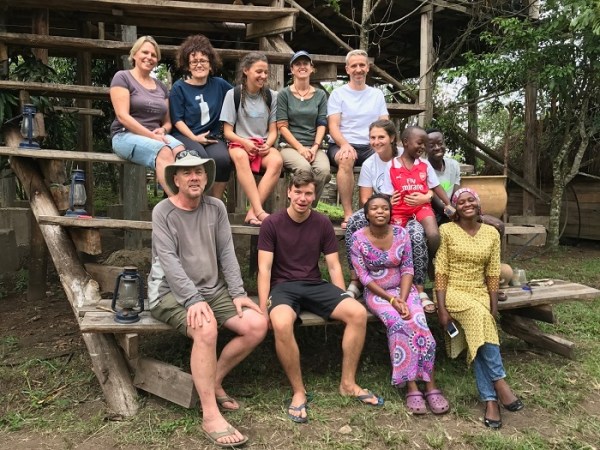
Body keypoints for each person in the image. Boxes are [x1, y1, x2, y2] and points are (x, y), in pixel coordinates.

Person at [148, 151, 268, 446]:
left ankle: (213, 381)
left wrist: (238, 293)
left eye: (199, 172)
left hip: (212, 291)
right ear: (175, 179)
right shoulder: (163, 212)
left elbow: (227, 253)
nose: (194, 177)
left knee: (257, 325)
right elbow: (170, 263)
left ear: (206, 177)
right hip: (168, 293)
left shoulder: (216, 208)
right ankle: (210, 414)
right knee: (206, 328)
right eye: (187, 172)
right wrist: (191, 299)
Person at [257, 172, 383, 424]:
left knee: (357, 313)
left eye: (308, 194)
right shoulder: (272, 223)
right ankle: (298, 390)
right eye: (298, 192)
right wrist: (263, 308)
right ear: (289, 192)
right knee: (281, 323)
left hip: (314, 284)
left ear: (314, 196)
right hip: (283, 287)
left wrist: (340, 297)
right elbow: (264, 269)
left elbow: (334, 266)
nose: (303, 198)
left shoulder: (322, 223)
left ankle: (347, 383)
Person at [349, 194, 449, 415]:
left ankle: (430, 382)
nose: (380, 212)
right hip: (378, 293)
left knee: (420, 323)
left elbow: (408, 269)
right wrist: (392, 300)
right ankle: (411, 385)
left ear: (390, 213)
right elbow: (364, 277)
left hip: (405, 290)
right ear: (366, 214)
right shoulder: (357, 238)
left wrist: (402, 298)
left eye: (385, 208)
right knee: (398, 324)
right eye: (374, 208)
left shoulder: (401, 234)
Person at [435, 187, 524, 429]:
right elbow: (441, 271)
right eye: (461, 201)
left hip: (480, 292)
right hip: (453, 290)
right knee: (478, 318)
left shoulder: (491, 234)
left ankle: (490, 401)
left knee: (480, 326)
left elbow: (493, 272)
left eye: (470, 200)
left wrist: (493, 306)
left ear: (478, 204)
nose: (466, 204)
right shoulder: (447, 230)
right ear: (456, 207)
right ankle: (500, 381)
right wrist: (442, 309)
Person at [344, 120, 432, 313]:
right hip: (384, 211)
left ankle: (419, 287)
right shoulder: (369, 164)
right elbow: (366, 200)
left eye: (381, 137)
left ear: (392, 138)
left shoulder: (407, 154)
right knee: (354, 221)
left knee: (416, 234)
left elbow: (428, 180)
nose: (376, 141)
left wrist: (427, 196)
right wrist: (385, 200)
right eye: (373, 138)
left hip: (409, 212)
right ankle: (356, 281)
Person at [110, 36, 184, 196]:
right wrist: (151, 135)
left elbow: (167, 123)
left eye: (153, 55)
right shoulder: (122, 77)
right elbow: (122, 116)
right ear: (134, 54)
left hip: (155, 137)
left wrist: (162, 130)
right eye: (145, 52)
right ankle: (179, 206)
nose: (149, 57)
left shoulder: (161, 87)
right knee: (164, 151)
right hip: (124, 135)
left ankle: (187, 200)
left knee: (181, 152)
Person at [327, 49, 389, 228]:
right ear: (347, 69)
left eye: (362, 65)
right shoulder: (338, 94)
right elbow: (333, 126)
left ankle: (376, 212)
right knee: (346, 158)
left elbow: (384, 123)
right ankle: (348, 213)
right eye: (354, 66)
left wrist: (382, 144)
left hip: (370, 144)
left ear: (368, 68)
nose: (358, 69)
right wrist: (345, 144)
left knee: (388, 159)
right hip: (342, 143)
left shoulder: (376, 94)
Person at [220, 51, 283, 226]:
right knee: (240, 157)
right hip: (239, 143)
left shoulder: (272, 96)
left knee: (277, 161)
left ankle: (251, 213)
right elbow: (227, 132)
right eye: (259, 72)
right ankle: (260, 210)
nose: (263, 76)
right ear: (246, 71)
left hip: (262, 145)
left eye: (265, 72)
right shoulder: (233, 95)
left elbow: (273, 131)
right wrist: (245, 143)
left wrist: (267, 145)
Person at [169, 34, 233, 200]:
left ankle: (216, 204)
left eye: (203, 61)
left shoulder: (220, 84)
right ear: (187, 66)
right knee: (200, 160)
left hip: (212, 136)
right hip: (185, 135)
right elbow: (176, 119)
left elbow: (240, 96)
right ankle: (198, 203)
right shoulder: (179, 87)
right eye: (194, 61)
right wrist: (194, 138)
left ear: (211, 64)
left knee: (223, 159)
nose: (199, 65)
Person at [387, 126, 454, 283]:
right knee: (398, 241)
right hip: (399, 209)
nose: (423, 147)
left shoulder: (425, 164)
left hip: (422, 207)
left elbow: (436, 186)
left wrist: (448, 204)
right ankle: (402, 273)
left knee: (433, 235)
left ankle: (431, 260)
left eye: (425, 143)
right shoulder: (391, 165)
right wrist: (388, 202)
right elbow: (386, 192)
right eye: (420, 142)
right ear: (405, 142)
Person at [276, 50, 331, 205]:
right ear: (292, 69)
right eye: (297, 64)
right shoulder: (284, 94)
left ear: (311, 68)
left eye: (305, 63)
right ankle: (296, 207)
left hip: (313, 146)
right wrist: (300, 148)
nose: (302, 67)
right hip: (289, 147)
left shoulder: (320, 95)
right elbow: (282, 126)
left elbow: (322, 123)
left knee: (324, 172)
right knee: (304, 169)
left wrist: (314, 147)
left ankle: (306, 207)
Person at [426, 128, 504, 235]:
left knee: (498, 225)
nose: (437, 148)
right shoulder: (423, 168)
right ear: (425, 148)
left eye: (440, 143)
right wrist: (470, 216)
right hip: (438, 215)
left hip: (457, 211)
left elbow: (456, 197)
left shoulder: (453, 165)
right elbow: (438, 206)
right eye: (431, 145)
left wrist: (475, 215)